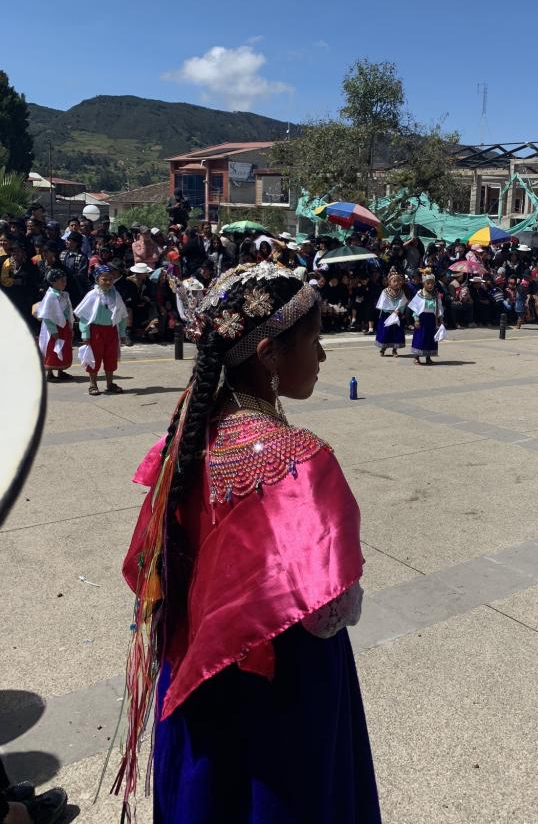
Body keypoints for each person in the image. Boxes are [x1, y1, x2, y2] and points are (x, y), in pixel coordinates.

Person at [116, 261, 381, 823]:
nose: (323, 356)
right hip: (282, 686)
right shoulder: (298, 458)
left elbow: (151, 565)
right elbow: (333, 607)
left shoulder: (188, 441)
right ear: (269, 357)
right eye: (314, 340)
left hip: (194, 670)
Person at [74, 265, 128, 396]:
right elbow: (84, 316)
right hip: (96, 331)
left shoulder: (116, 295)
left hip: (111, 331)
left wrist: (122, 333)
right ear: (97, 280)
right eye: (104, 279)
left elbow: (121, 316)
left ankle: (110, 384)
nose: (108, 282)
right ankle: (93, 384)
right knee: (94, 358)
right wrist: (85, 333)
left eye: (110, 279)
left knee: (111, 358)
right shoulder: (92, 295)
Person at [36, 269, 74, 382]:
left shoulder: (64, 295)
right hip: (53, 328)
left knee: (63, 348)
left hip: (64, 326)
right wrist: (53, 331)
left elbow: (68, 311)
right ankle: (50, 372)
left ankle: (61, 370)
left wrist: (70, 325)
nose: (64, 282)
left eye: (65, 280)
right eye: (61, 280)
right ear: (52, 282)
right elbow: (47, 316)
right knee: (52, 349)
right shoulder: (50, 297)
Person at [408, 270, 443, 365]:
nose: (430, 285)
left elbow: (439, 307)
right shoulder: (420, 293)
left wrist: (441, 319)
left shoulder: (436, 295)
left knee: (431, 338)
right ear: (423, 283)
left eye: (432, 283)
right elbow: (415, 307)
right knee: (420, 337)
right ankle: (416, 357)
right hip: (422, 318)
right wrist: (416, 319)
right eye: (428, 283)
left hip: (432, 319)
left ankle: (428, 357)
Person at [374, 267, 408, 357]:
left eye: (398, 281)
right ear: (389, 282)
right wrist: (390, 310)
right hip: (387, 315)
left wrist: (398, 311)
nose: (397, 283)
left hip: (397, 314)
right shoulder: (385, 292)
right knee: (386, 332)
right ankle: (383, 348)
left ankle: (394, 350)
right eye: (394, 281)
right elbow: (382, 304)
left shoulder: (401, 292)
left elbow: (403, 302)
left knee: (396, 333)